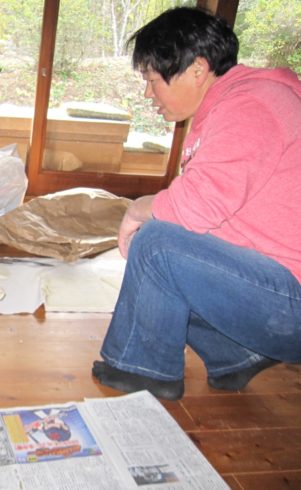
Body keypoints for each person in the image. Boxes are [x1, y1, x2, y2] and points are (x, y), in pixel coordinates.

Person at [92, 7, 301, 400]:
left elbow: (195, 206)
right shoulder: (228, 107)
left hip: (291, 304)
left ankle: (143, 371)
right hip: (278, 293)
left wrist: (138, 208)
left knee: (157, 244)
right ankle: (238, 354)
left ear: (197, 69)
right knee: (158, 271)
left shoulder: (253, 105)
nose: (147, 94)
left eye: (153, 80)